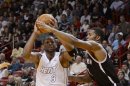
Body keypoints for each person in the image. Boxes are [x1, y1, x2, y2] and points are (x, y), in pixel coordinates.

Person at [36, 20, 122, 86]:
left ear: (97, 37)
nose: (87, 37)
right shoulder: (88, 54)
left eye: (90, 34)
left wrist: (53, 30)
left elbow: (74, 41)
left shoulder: (97, 47)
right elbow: (86, 79)